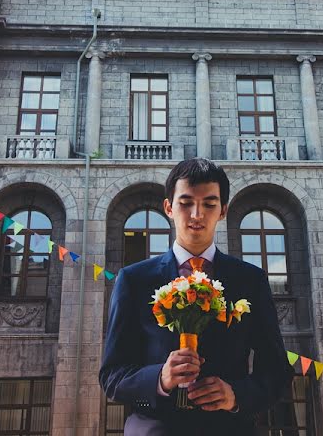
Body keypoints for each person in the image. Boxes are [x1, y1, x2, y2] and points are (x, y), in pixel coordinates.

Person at [99, 158, 294, 435]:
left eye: (209, 204)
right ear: (168, 207)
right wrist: (160, 378)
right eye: (186, 202)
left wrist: (235, 395)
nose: (196, 214)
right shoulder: (134, 280)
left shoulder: (250, 280)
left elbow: (277, 372)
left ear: (223, 210)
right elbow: (112, 376)